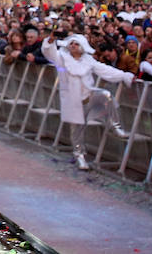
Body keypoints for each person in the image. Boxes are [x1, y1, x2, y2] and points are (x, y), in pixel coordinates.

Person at [41, 34, 134, 170]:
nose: (73, 46)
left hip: (88, 95)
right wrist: (50, 41)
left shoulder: (88, 60)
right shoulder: (62, 58)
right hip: (73, 101)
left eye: (76, 44)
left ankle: (115, 125)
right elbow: (49, 53)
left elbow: (105, 70)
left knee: (106, 95)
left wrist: (125, 75)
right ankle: (79, 156)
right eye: (71, 43)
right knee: (77, 131)